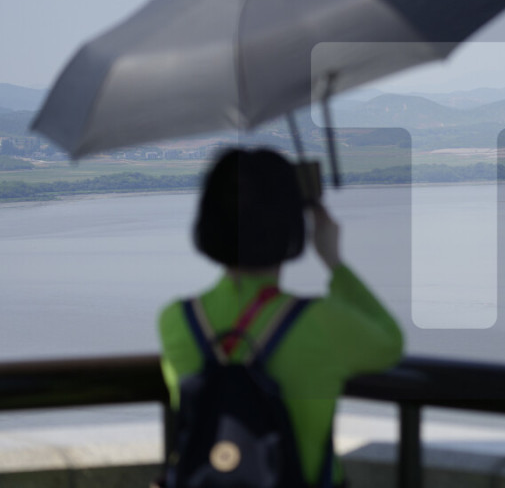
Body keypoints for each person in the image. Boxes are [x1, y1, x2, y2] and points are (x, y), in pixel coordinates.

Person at [158, 148, 403, 487]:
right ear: (291, 224)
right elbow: (390, 343)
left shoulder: (176, 320)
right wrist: (334, 261)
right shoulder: (321, 320)